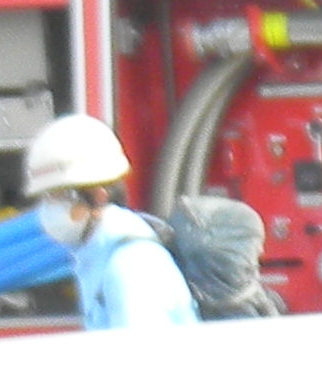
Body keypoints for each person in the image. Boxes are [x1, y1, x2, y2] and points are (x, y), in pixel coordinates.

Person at [24, 114, 199, 331]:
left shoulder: (131, 264)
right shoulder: (100, 252)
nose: (49, 209)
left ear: (98, 196)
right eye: (47, 197)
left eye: (59, 197)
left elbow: (143, 358)